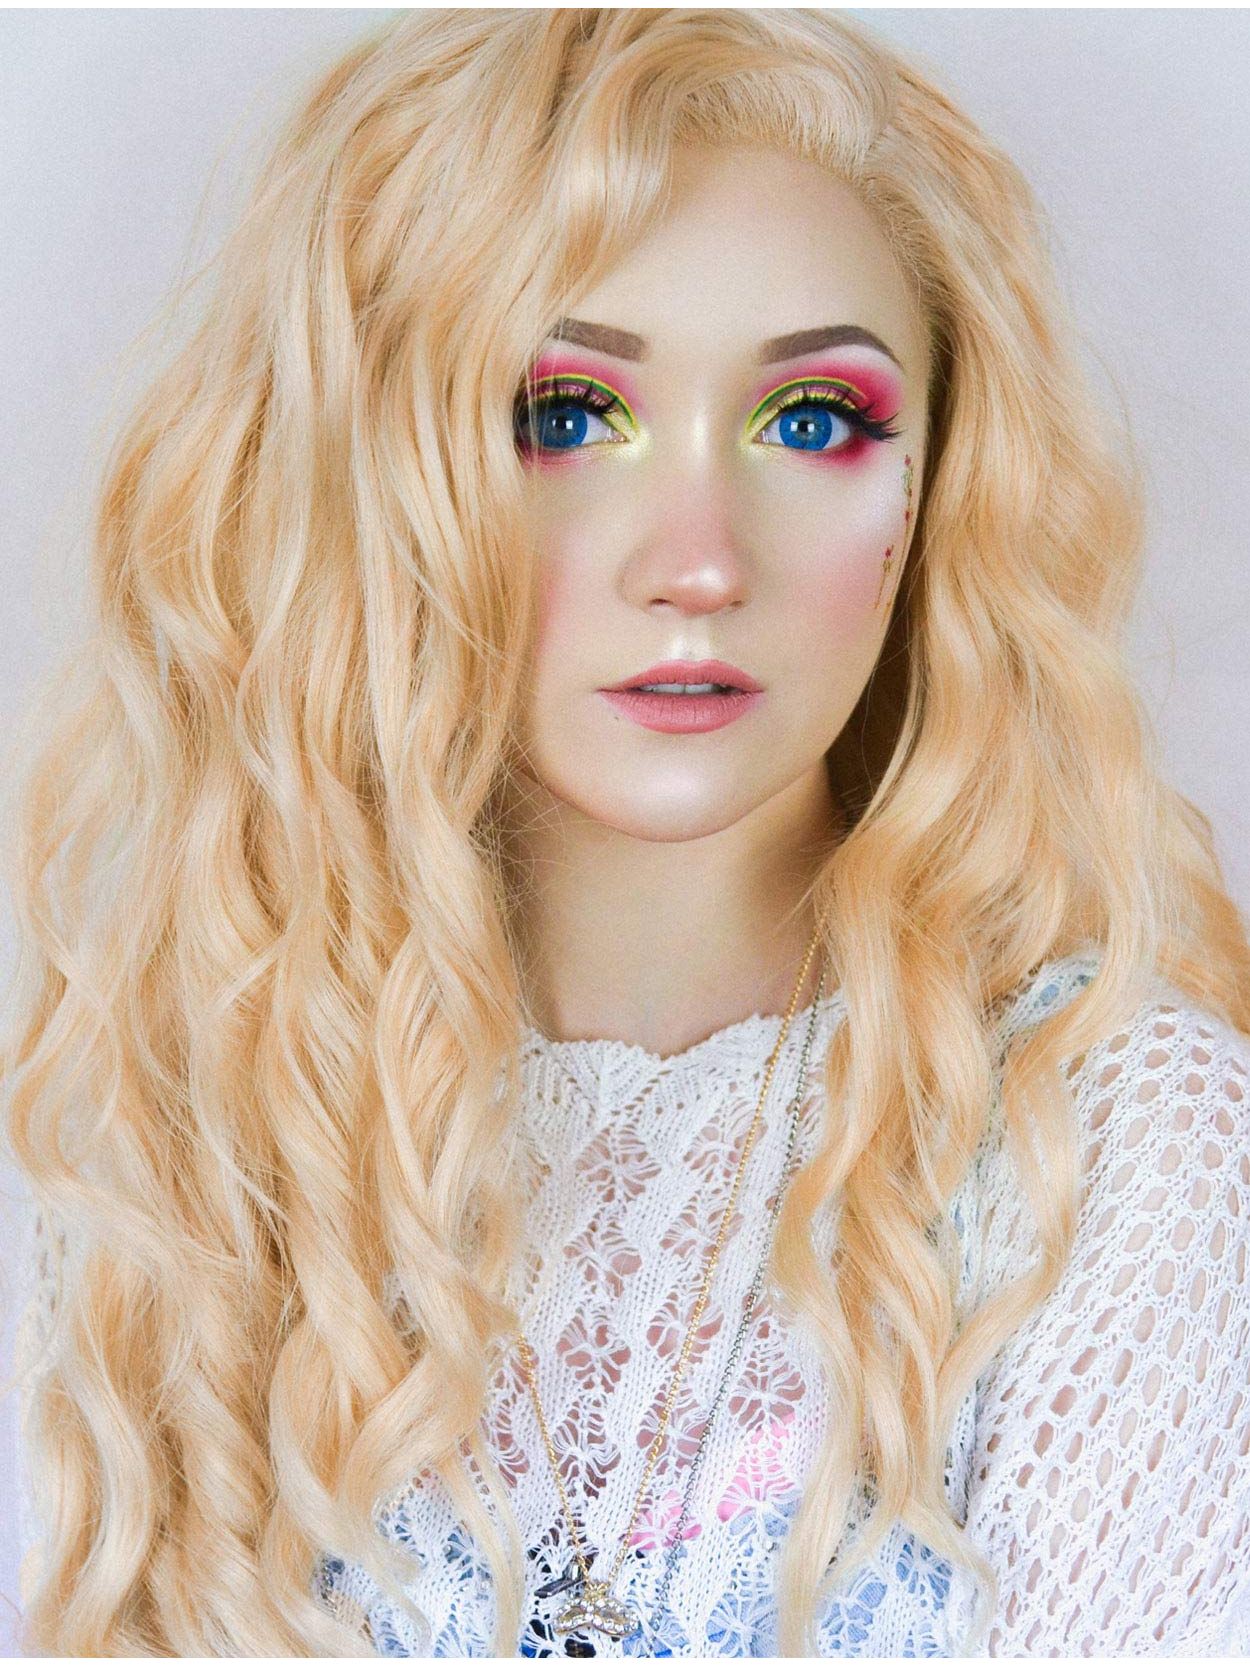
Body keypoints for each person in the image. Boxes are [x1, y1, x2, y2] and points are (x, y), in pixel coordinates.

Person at [5, 8, 1248, 1658]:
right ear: (369, 477)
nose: (697, 563)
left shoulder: (1103, 1143)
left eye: (809, 422)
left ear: (937, 486)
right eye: (565, 414)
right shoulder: (168, 1140)